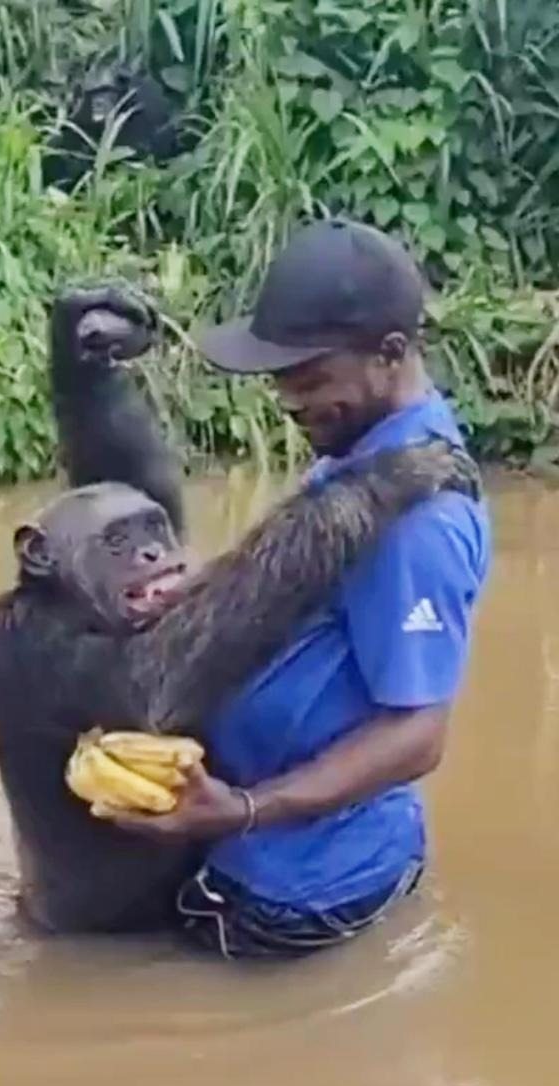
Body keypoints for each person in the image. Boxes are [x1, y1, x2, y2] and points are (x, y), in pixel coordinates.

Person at [104, 218, 492, 960]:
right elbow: (298, 586)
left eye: (309, 375)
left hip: (301, 886)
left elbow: (417, 735)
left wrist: (245, 810)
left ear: (390, 355)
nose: (287, 398)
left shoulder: (416, 518)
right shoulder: (364, 454)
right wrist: (195, 593)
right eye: (280, 377)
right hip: (257, 848)